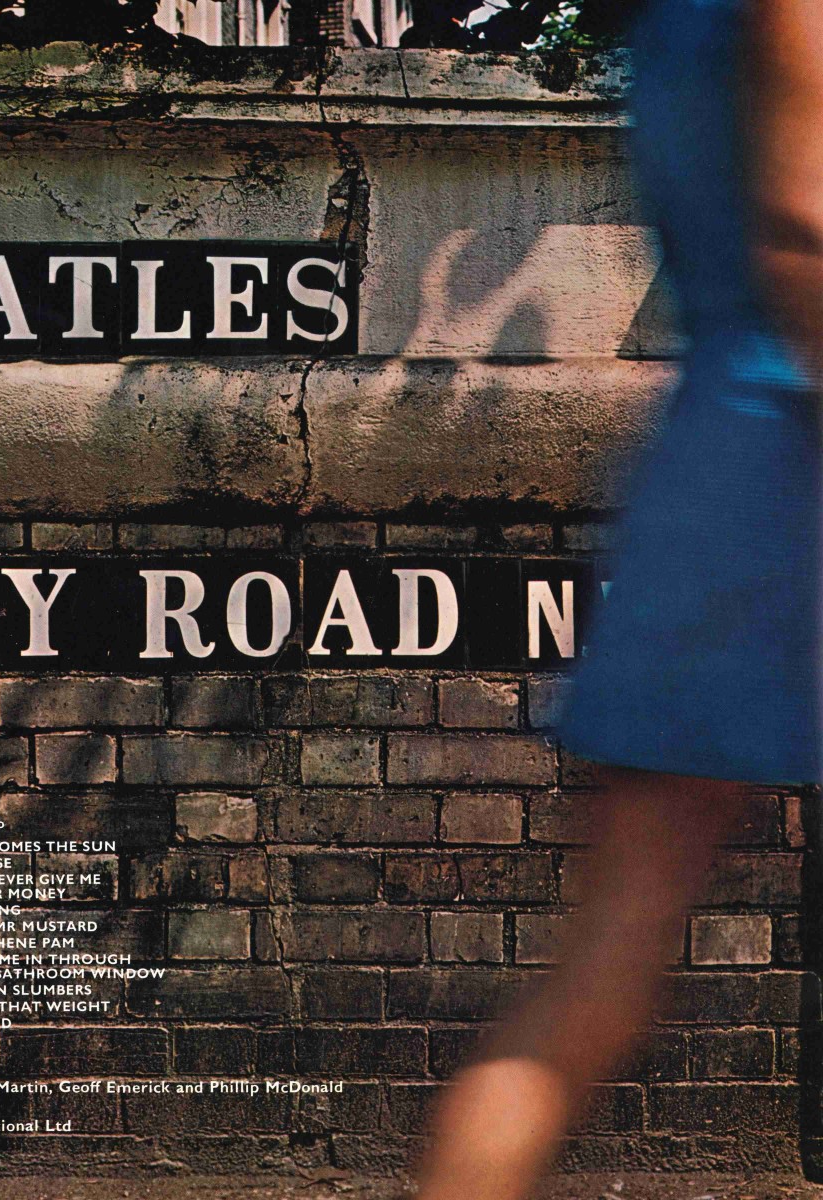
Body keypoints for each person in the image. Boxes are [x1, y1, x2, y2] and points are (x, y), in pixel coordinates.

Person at [412, 1, 822, 1197]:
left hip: (725, 457)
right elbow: (803, 220)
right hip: (791, 466)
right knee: (605, 963)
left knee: (603, 964)